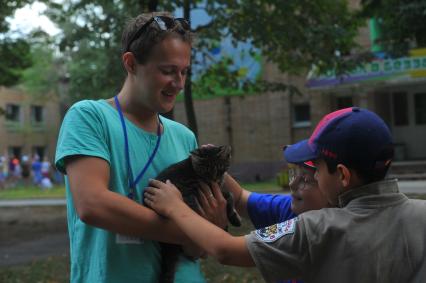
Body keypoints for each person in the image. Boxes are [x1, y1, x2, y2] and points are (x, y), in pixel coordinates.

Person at [145, 107, 426, 283]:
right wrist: (214, 167)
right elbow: (242, 198)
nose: (312, 177)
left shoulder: (316, 228)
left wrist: (174, 206)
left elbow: (225, 250)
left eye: (316, 170)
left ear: (342, 175)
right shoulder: (421, 215)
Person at [55, 12, 226, 283]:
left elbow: (196, 251)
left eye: (184, 72)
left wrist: (207, 230)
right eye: (168, 71)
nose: (179, 83)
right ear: (131, 63)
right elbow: (92, 204)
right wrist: (194, 228)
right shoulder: (89, 117)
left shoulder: (184, 138)